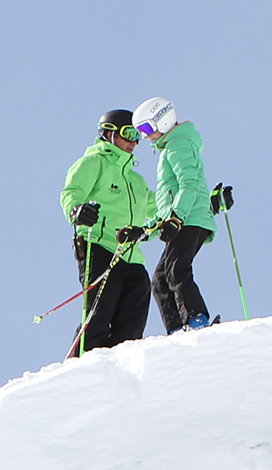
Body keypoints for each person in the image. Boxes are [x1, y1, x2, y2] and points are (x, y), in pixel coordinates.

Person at [59, 108, 158, 355]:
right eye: (129, 133)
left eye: (138, 135)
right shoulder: (94, 163)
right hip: (99, 246)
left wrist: (202, 203)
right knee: (101, 310)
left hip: (131, 254)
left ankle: (119, 367)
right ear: (109, 134)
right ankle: (80, 366)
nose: (134, 141)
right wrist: (77, 211)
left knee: (133, 317)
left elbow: (162, 204)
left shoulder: (136, 181)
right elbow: (71, 193)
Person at [134, 96, 219, 334]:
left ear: (162, 121)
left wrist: (176, 218)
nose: (144, 136)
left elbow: (189, 185)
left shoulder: (178, 144)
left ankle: (196, 319)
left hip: (190, 218)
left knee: (176, 270)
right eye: (140, 131)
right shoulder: (168, 149)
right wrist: (144, 230)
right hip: (182, 218)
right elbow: (167, 205)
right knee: (160, 280)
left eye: (146, 128)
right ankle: (175, 330)